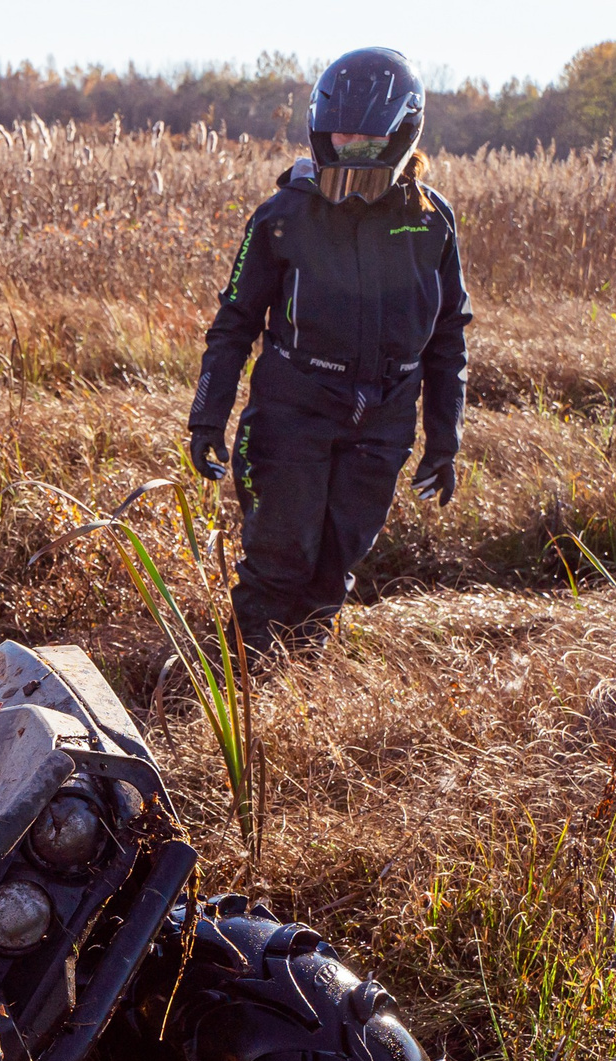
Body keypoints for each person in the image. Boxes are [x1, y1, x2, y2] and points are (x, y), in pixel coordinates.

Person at [186, 46, 472, 652]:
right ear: (321, 130)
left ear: (403, 133)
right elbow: (234, 324)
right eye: (343, 136)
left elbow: (449, 340)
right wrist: (206, 420)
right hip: (292, 414)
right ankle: (245, 682)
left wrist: (444, 442)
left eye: (371, 139)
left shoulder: (432, 222)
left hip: (383, 421)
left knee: (333, 571)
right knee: (279, 565)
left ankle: (302, 681)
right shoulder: (283, 215)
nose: (354, 149)